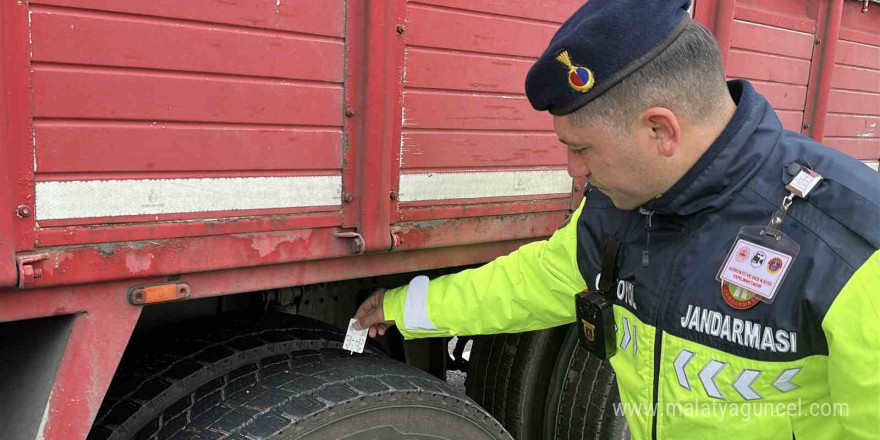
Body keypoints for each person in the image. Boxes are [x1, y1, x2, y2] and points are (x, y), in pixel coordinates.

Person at [354, 0, 880, 438]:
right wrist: (402, 306)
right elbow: (531, 283)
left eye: (581, 149)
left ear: (660, 131)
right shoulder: (621, 206)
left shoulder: (850, 247)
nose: (572, 171)